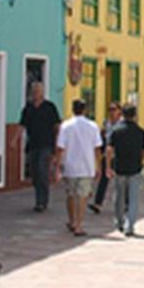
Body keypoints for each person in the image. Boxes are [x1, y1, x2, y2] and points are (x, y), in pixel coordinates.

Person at [55, 99, 101, 236]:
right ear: (85, 110)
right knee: (83, 196)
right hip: (87, 166)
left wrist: (58, 165)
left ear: (72, 109)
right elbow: (97, 148)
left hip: (70, 165)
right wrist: (98, 165)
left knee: (70, 195)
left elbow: (60, 147)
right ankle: (79, 225)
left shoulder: (66, 126)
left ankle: (72, 220)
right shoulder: (93, 126)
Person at [106, 103, 144, 236]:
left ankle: (119, 221)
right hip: (135, 167)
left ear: (122, 114)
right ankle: (130, 225)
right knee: (133, 197)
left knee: (119, 196)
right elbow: (143, 152)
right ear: (135, 115)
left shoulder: (116, 131)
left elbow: (109, 150)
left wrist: (108, 166)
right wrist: (141, 162)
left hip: (120, 167)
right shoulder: (141, 132)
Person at [19, 82, 60, 213]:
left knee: (42, 171)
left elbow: (57, 126)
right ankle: (39, 197)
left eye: (38, 91)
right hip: (32, 145)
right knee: (35, 173)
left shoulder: (49, 107)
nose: (36, 93)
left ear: (42, 92)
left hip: (46, 145)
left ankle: (42, 201)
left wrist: (57, 145)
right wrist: (14, 140)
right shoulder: (28, 108)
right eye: (34, 91)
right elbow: (22, 125)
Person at [91, 103, 124, 214]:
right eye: (109, 109)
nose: (111, 112)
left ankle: (124, 204)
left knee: (121, 181)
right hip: (107, 155)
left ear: (119, 111)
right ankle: (98, 203)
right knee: (103, 180)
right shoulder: (106, 123)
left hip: (119, 155)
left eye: (113, 109)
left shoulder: (123, 124)